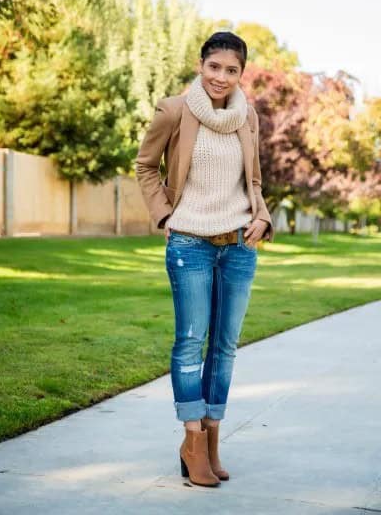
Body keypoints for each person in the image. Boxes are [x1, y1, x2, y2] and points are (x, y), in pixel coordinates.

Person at [135, 31, 274, 488]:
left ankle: (213, 439)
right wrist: (164, 216)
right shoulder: (174, 109)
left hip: (238, 244)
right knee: (191, 342)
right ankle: (192, 441)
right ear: (201, 65)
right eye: (214, 66)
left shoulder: (247, 116)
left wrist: (263, 216)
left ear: (241, 74)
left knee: (226, 346)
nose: (221, 76)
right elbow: (145, 165)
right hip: (189, 243)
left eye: (231, 70)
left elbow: (252, 179)